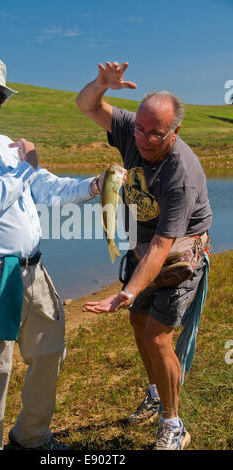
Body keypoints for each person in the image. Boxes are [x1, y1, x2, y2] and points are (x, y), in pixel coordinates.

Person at [0, 55, 126, 451]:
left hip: (33, 272)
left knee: (51, 351)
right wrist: (28, 166)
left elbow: (48, 190)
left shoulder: (7, 145)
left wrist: (95, 185)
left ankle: (32, 437)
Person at [77, 61, 212, 450]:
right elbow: (86, 105)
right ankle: (155, 396)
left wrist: (128, 291)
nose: (143, 140)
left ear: (174, 131)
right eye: (138, 128)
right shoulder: (132, 130)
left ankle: (174, 424)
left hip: (178, 258)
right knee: (138, 323)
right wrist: (101, 85)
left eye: (155, 133)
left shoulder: (180, 174)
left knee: (156, 336)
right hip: (143, 250)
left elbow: (162, 246)